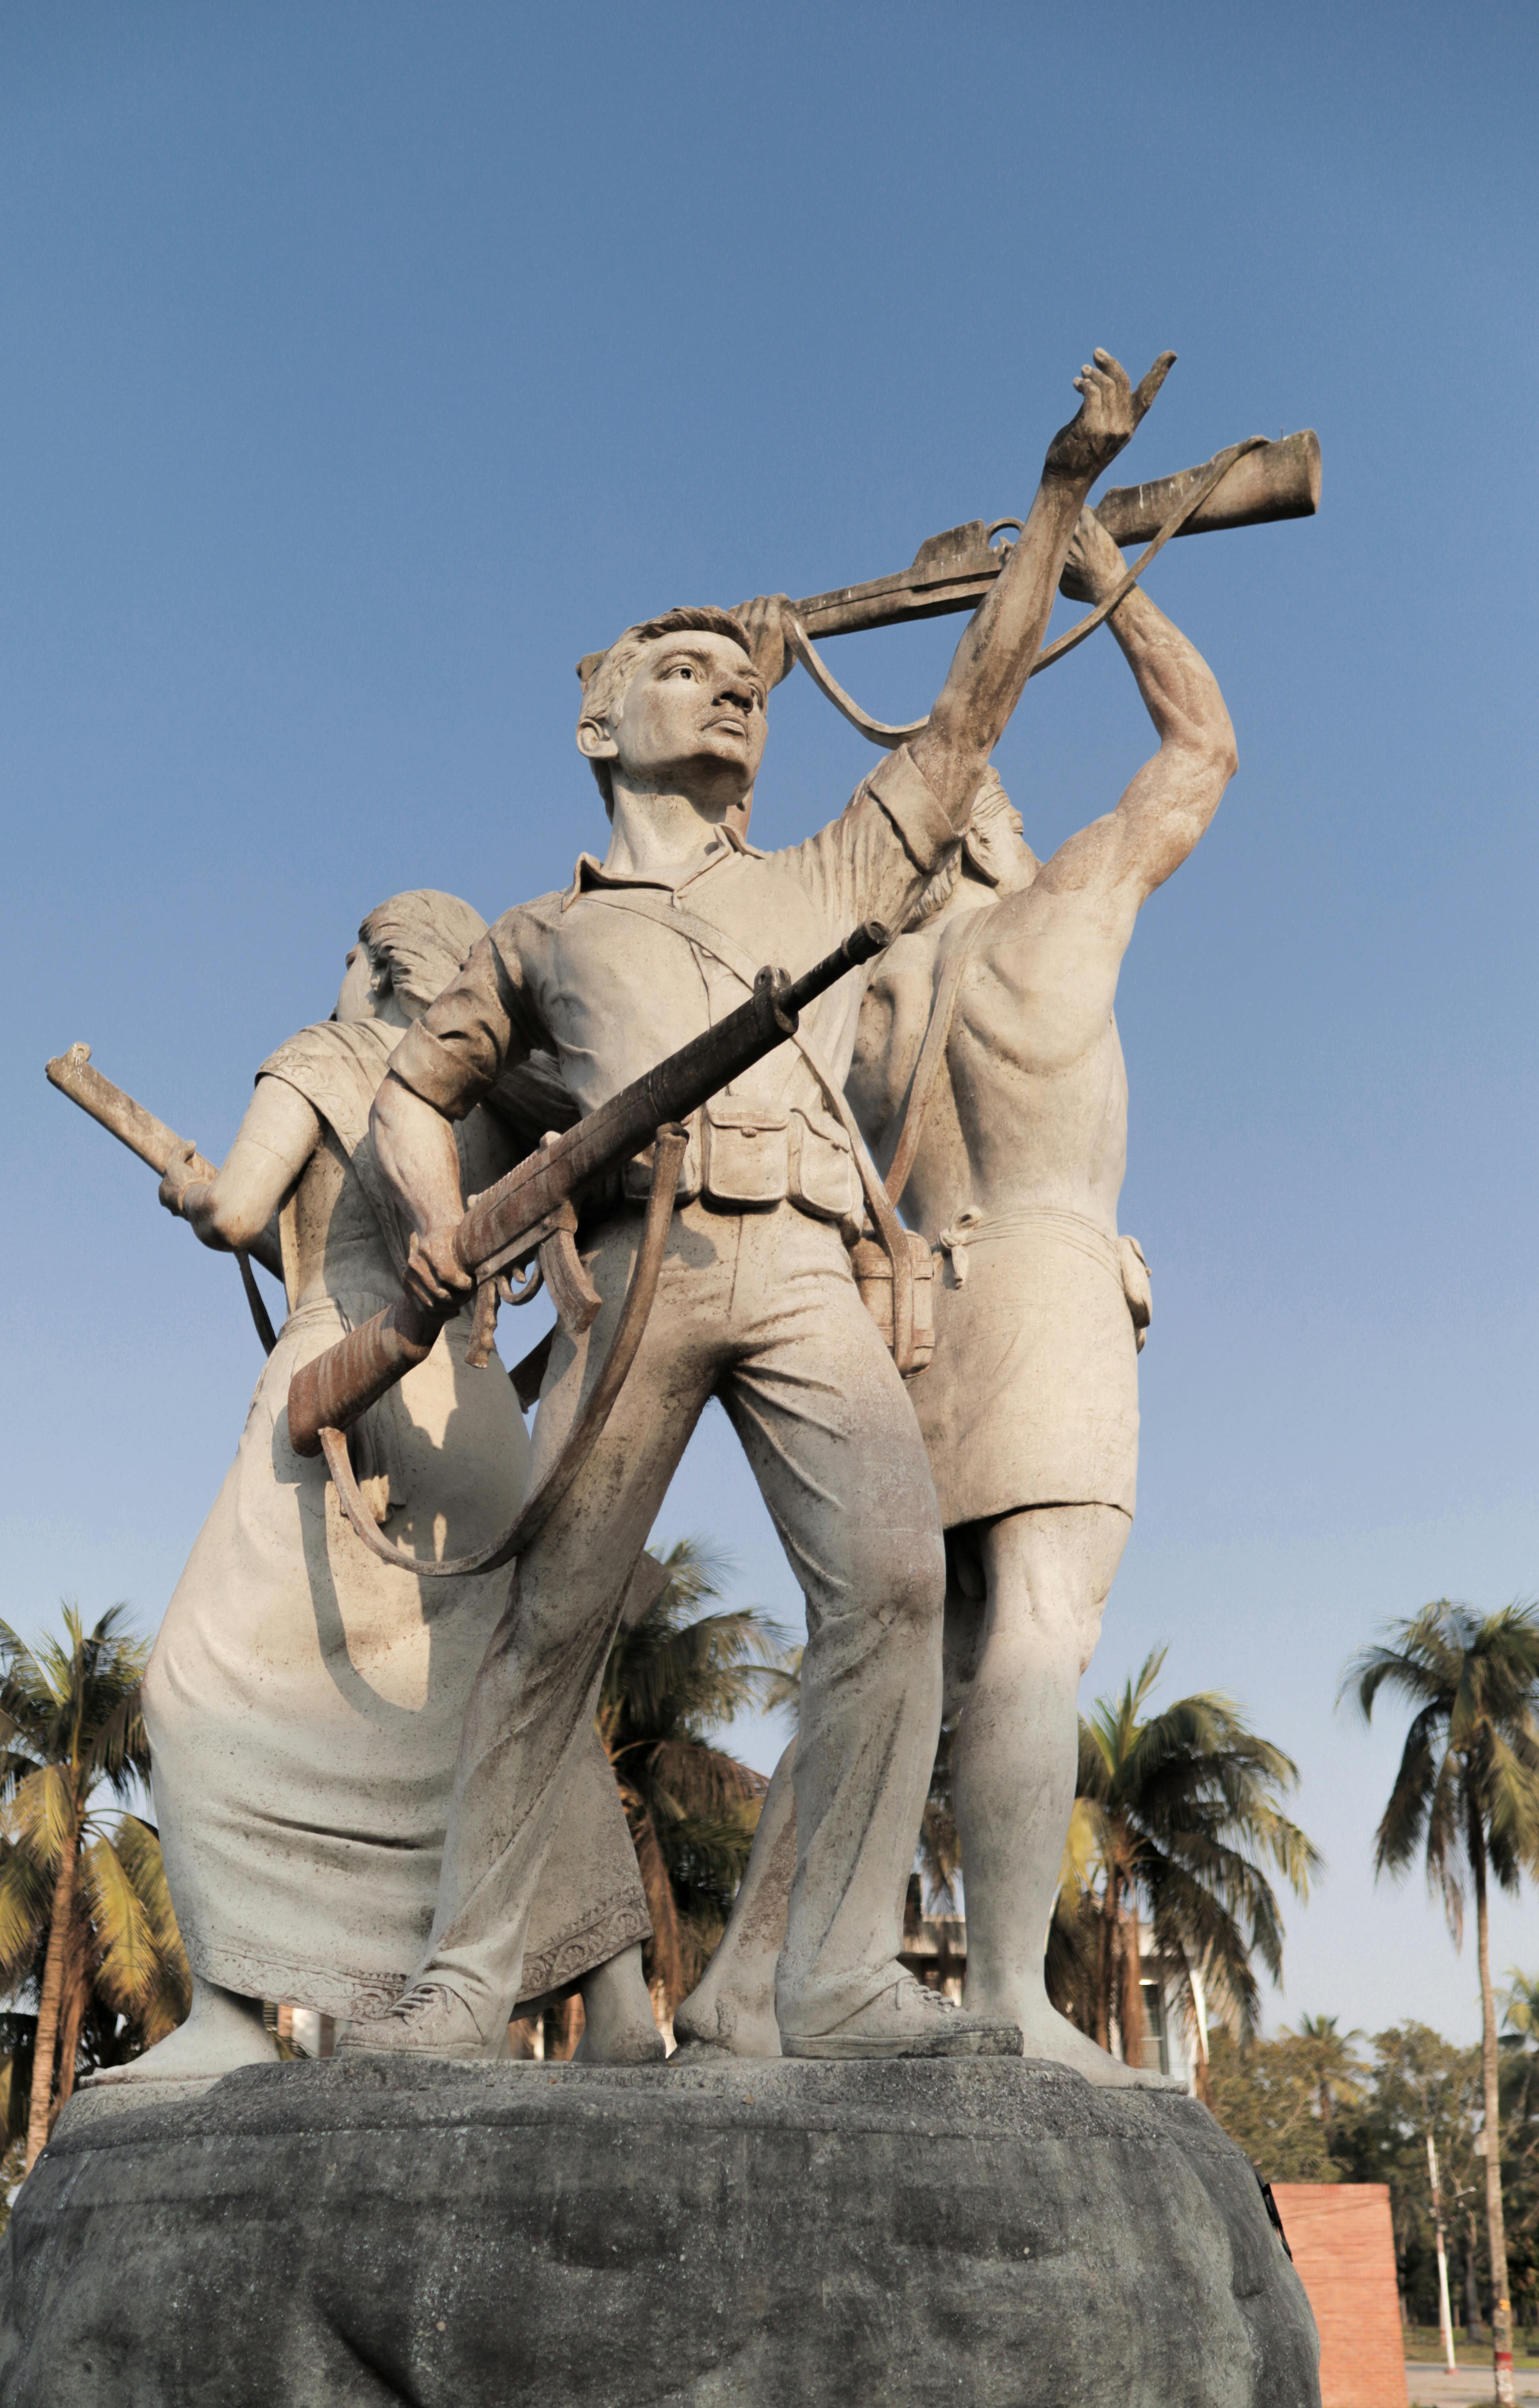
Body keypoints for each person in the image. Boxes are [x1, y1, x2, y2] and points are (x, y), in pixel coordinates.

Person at [340, 351, 1170, 2064]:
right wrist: (434, 1225)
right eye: (679, 669)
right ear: (599, 720)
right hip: (640, 1273)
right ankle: (463, 1978)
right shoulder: (538, 938)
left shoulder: (819, 882)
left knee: (888, 1595)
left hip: (808, 1266)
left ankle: (841, 1977)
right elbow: (415, 1097)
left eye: (741, 678)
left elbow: (968, 720)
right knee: (550, 1626)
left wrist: (1056, 497)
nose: (722, 692)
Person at [675, 504, 1237, 2081]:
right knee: (1038, 1632)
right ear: (994, 835)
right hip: (1046, 1285)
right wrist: (1102, 574)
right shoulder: (1060, 916)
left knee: (893, 1662)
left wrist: (765, 696)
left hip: (906, 1309)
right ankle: (1005, 1992)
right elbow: (1200, 747)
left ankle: (738, 1982)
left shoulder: (856, 997)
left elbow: (731, 902)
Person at [108, 888, 660, 2084]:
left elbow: (245, 1208)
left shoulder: (318, 1057)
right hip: (473, 1419)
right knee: (509, 1701)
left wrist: (194, 1194)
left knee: (195, 1691)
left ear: (373, 967)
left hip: (339, 1388)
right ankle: (619, 2001)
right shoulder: (504, 1103)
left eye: (349, 952)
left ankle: (234, 2010)